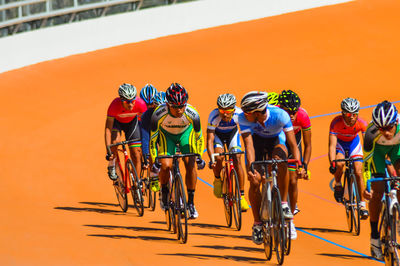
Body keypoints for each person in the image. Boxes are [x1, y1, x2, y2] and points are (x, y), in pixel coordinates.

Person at [238, 91, 302, 245]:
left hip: (276, 140)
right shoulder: (243, 118)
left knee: (282, 161)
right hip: (257, 143)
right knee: (255, 182)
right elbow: (249, 146)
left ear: (258, 112)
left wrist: (300, 165)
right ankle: (257, 224)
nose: (244, 114)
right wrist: (251, 169)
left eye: (247, 112)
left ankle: (284, 204)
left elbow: (292, 144)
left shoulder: (280, 115)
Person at [149, 83, 205, 219]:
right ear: (168, 105)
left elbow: (199, 137)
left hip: (186, 134)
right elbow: (152, 140)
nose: (179, 110)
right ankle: (164, 192)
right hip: (166, 136)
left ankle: (191, 203)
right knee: (166, 165)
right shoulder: (158, 114)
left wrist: (199, 156)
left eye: (182, 106)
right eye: (175, 107)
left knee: (190, 164)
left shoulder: (193, 113)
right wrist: (155, 159)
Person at [363, 101, 400, 260]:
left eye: (388, 128)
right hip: (377, 153)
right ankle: (374, 235)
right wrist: (366, 185)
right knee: (377, 192)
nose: (385, 132)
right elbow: (365, 164)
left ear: (395, 123)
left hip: (396, 151)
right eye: (381, 129)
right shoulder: (371, 133)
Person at [206, 93, 249, 211]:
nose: (225, 113)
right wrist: (212, 159)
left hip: (232, 135)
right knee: (219, 158)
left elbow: (247, 135)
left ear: (234, 109)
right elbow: (210, 140)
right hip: (218, 136)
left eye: (228, 110)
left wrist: (249, 149)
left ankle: (241, 196)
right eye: (222, 110)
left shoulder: (239, 114)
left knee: (237, 159)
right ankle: (217, 179)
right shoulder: (213, 116)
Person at [278, 90, 312, 239]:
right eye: (288, 111)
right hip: (278, 138)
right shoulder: (276, 113)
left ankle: (290, 220)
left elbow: (308, 144)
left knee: (292, 180)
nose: (292, 115)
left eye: (294, 111)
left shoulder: (303, 116)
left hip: (294, 142)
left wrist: (304, 166)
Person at [328, 98, 369, 219]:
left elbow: (367, 145)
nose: (352, 117)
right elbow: (331, 145)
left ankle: (362, 204)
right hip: (340, 144)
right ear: (343, 113)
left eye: (355, 114)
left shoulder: (362, 123)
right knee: (339, 164)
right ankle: (338, 183)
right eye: (349, 114)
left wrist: (366, 160)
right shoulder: (336, 123)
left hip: (353, 144)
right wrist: (332, 163)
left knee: (358, 171)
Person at [105, 83, 147, 182]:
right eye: (127, 102)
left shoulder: (141, 104)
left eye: (133, 101)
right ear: (121, 100)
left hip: (132, 124)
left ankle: (137, 183)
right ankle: (112, 164)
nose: (131, 104)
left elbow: (145, 127)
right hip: (117, 123)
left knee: (136, 154)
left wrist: (145, 150)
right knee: (115, 142)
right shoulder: (114, 106)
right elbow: (108, 129)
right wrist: (109, 151)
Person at [141, 88, 165, 192]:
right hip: (152, 132)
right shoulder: (147, 115)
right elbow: (146, 137)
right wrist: (146, 155)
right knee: (152, 153)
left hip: (166, 133)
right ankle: (154, 176)